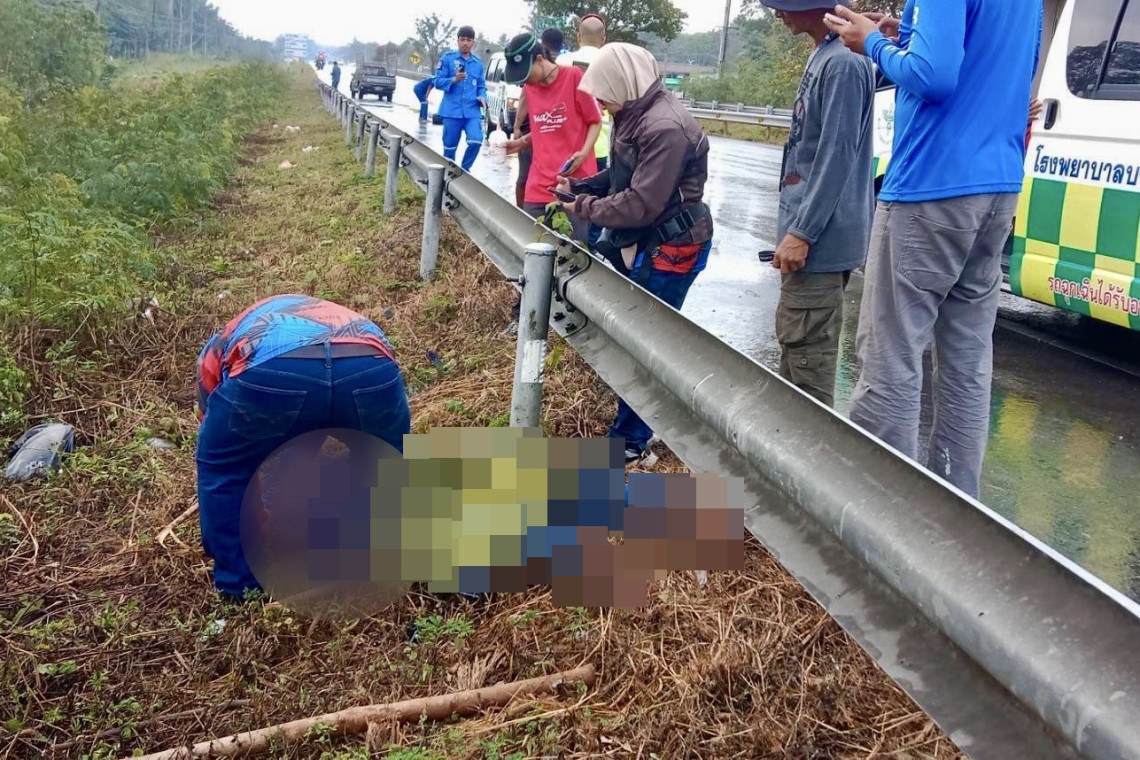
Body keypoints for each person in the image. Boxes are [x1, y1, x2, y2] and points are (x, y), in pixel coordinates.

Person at [825, 0, 1043, 498]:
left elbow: (934, 77)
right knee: (967, 362)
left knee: (891, 355)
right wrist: (907, 38)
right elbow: (1008, 67)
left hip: (931, 184)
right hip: (997, 188)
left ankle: (884, 513)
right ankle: (955, 507)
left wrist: (872, 43)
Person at [554, 43, 714, 463]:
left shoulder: (664, 127)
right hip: (651, 238)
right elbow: (624, 172)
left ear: (623, 83)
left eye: (604, 95)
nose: (602, 105)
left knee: (645, 341)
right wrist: (583, 186)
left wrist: (582, 206)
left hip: (673, 245)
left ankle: (631, 439)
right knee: (635, 333)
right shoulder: (636, 111)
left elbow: (641, 203)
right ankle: (636, 425)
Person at [195, 294, 411, 599]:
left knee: (225, 470)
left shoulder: (218, 346)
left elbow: (226, 444)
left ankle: (238, 588)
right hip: (369, 363)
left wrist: (257, 512)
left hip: (272, 368)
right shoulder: (322, 313)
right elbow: (311, 425)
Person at [760, 0, 874, 409]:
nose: (778, 14)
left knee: (808, 369)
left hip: (818, 244)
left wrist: (802, 233)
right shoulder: (826, 54)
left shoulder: (843, 62)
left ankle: (805, 449)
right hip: (808, 240)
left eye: (784, 5)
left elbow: (836, 156)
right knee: (795, 358)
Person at [503, 31, 602, 243]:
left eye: (527, 74)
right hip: (538, 184)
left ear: (540, 59)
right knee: (532, 245)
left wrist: (584, 153)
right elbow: (545, 127)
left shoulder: (574, 77)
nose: (525, 81)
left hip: (572, 182)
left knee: (572, 250)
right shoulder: (531, 88)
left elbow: (595, 121)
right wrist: (521, 142)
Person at [556, 14, 612, 173]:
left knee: (562, 188)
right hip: (599, 147)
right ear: (603, 39)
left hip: (564, 145)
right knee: (592, 190)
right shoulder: (612, 64)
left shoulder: (561, 62)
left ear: (578, 37)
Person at [432, 26, 487, 172]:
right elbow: (436, 81)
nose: (465, 43)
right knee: (449, 150)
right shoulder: (448, 58)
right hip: (451, 112)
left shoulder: (478, 64)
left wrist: (482, 97)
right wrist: (454, 79)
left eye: (468, 40)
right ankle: (449, 176)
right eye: (462, 40)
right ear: (457, 41)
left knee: (476, 140)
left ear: (473, 42)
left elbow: (481, 86)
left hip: (472, 112)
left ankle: (464, 171)